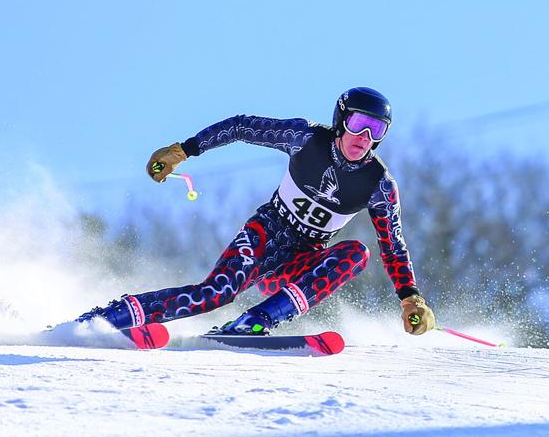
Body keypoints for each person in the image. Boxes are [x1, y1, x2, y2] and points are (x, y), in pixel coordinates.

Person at [76, 87, 435, 336]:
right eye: (359, 124)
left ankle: (259, 320)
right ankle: (108, 318)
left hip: (298, 264)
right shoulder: (306, 138)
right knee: (214, 294)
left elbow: (393, 245)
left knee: (357, 253)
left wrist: (410, 297)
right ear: (342, 121)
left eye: (377, 130)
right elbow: (241, 126)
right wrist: (184, 150)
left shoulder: (378, 185)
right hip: (265, 236)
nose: (365, 137)